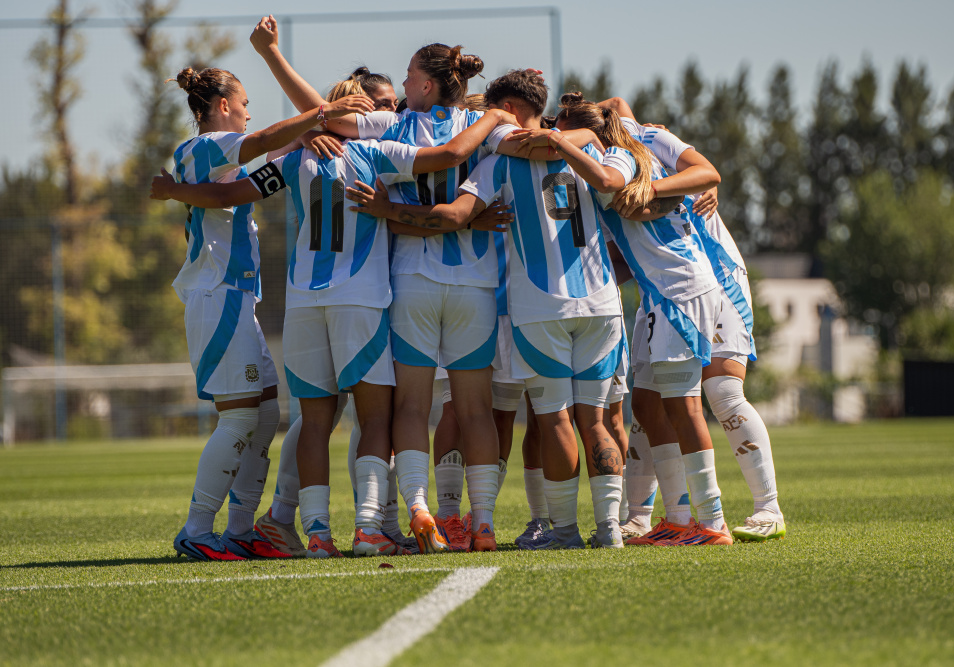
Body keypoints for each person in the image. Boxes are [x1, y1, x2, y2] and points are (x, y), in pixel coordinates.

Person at [154, 75, 516, 558]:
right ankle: (366, 527)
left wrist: (176, 190)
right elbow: (446, 159)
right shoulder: (379, 153)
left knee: (302, 420)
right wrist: (472, 204)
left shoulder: (294, 159)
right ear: (357, 115)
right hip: (356, 300)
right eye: (378, 108)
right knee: (373, 418)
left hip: (303, 301)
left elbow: (231, 194)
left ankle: (313, 534)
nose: (389, 114)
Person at [348, 85, 649, 550]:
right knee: (596, 420)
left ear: (507, 110)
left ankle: (560, 531)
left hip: (537, 307)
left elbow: (453, 216)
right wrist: (575, 138)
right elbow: (614, 180)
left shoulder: (498, 162)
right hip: (601, 305)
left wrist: (388, 210)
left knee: (553, 421)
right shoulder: (602, 150)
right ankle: (610, 528)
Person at [164, 64, 372, 561]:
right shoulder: (202, 146)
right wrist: (322, 113)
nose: (248, 113)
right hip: (216, 295)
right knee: (239, 417)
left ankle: (241, 531)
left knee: (262, 414)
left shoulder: (221, 157)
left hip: (236, 299)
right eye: (244, 104)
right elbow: (262, 142)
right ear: (222, 106)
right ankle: (196, 530)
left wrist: (306, 139)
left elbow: (269, 158)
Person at [609, 108, 785, 543]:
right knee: (647, 403)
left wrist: (677, 186)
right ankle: (655, 516)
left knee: (722, 391)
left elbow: (706, 173)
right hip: (659, 290)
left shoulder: (649, 139)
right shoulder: (601, 169)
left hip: (715, 277)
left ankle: (768, 508)